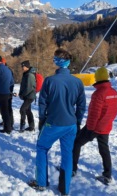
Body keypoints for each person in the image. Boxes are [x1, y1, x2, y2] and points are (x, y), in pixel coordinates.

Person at [28, 48, 86, 195]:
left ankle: (41, 183)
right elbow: (81, 105)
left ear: (57, 62)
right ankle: (64, 189)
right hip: (71, 124)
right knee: (67, 154)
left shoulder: (49, 81)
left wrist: (42, 120)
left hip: (53, 123)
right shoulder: (77, 82)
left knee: (42, 148)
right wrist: (77, 121)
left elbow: (42, 103)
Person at [72, 67, 117, 185]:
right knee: (104, 149)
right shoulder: (114, 92)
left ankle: (72, 169)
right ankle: (107, 175)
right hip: (106, 126)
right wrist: (108, 123)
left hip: (95, 127)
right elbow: (114, 111)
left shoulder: (98, 93)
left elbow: (94, 114)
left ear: (97, 78)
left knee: (76, 142)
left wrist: (90, 129)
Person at [16, 60, 36, 132]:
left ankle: (22, 126)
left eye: (23, 66)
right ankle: (31, 126)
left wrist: (22, 94)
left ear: (27, 66)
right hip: (28, 96)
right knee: (28, 110)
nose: (22, 68)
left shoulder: (29, 75)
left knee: (22, 109)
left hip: (30, 96)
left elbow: (29, 87)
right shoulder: (26, 74)